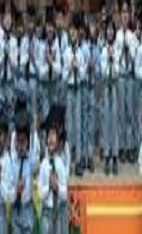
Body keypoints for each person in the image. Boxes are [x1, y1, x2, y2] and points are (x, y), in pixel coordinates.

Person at [38, 106, 68, 234]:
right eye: (48, 135)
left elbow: (65, 191)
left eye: (54, 134)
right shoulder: (44, 164)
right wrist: (49, 186)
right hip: (47, 212)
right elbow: (40, 193)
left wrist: (57, 187)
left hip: (59, 210)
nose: (50, 138)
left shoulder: (61, 162)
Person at [63, 12, 86, 177]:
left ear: (78, 33)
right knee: (69, 126)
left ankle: (78, 161)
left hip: (78, 90)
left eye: (74, 31)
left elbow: (84, 75)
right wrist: (71, 68)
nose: (72, 33)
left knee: (78, 126)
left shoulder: (81, 52)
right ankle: (69, 161)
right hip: (69, 90)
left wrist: (78, 68)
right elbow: (63, 76)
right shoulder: (66, 52)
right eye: (70, 31)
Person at [116, 0, 138, 164]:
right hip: (120, 78)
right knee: (121, 114)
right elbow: (115, 59)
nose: (124, 15)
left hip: (130, 77)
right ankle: (122, 148)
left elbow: (135, 59)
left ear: (130, 15)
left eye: (126, 12)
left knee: (130, 113)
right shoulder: (116, 35)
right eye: (122, 12)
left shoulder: (133, 36)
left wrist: (128, 50)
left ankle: (130, 147)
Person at [9, 111, 34, 233]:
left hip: (27, 207)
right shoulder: (12, 163)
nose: (21, 146)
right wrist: (16, 190)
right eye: (18, 142)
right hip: (15, 208)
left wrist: (32, 124)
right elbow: (9, 190)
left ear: (28, 142)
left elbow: (35, 144)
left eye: (23, 141)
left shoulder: (31, 160)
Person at [101, 19, 120, 175]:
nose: (110, 31)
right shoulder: (103, 50)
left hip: (114, 87)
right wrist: (108, 61)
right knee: (106, 122)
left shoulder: (117, 49)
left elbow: (118, 71)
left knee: (114, 122)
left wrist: (113, 62)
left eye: (112, 29)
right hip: (105, 87)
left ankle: (115, 156)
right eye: (108, 29)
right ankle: (107, 155)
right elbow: (102, 72)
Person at [81, 15, 99, 173]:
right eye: (91, 27)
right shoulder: (83, 47)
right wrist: (87, 67)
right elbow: (80, 69)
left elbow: (99, 71)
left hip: (92, 87)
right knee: (83, 122)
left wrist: (95, 68)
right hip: (83, 87)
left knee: (91, 123)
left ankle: (90, 156)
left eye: (95, 27)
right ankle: (82, 157)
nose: (93, 30)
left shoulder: (97, 48)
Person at [20, 4, 39, 127]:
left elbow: (39, 67)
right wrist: (27, 57)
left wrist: (34, 59)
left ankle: (34, 134)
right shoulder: (23, 40)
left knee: (34, 109)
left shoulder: (38, 42)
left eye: (32, 23)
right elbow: (21, 63)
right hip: (24, 78)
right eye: (29, 23)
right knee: (24, 109)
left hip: (34, 79)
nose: (30, 26)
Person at [1, 0, 18, 117]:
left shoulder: (14, 41)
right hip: (0, 80)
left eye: (9, 19)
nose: (7, 21)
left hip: (10, 80)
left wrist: (9, 56)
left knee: (11, 112)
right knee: (0, 111)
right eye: (5, 19)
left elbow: (15, 65)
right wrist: (3, 57)